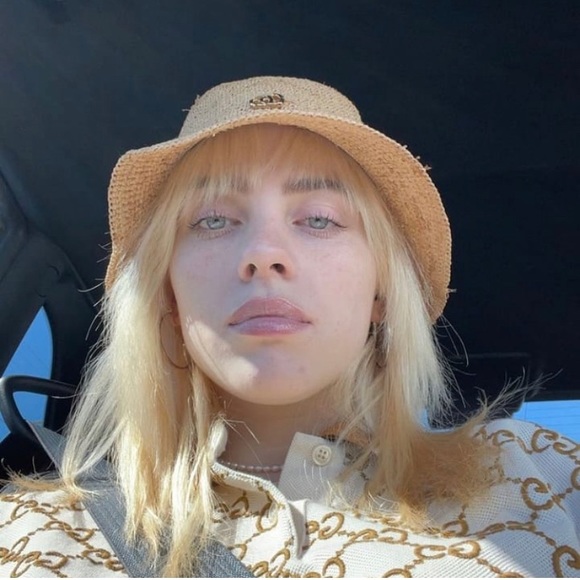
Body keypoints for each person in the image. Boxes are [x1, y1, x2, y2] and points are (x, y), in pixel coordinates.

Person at [0, 76, 578, 578]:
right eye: (213, 220)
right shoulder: (30, 532)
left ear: (381, 292)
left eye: (320, 219)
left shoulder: (544, 473)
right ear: (168, 294)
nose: (263, 253)